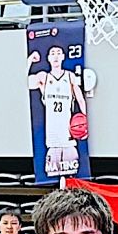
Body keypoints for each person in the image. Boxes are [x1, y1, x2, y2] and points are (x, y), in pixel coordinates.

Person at [29, 42, 87, 179]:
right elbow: (22, 81)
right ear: (48, 58)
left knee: (72, 180)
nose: (55, 56)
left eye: (58, 53)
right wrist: (30, 60)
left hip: (68, 138)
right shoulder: (43, 77)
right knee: (53, 181)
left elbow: (81, 100)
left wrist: (86, 124)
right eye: (52, 53)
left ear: (63, 57)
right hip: (52, 140)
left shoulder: (70, 76)